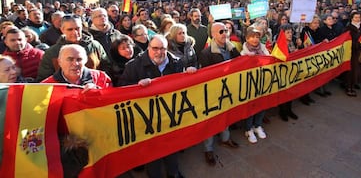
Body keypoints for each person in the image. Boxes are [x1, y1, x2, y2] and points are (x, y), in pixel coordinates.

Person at [118, 34, 194, 178]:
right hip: (147, 118)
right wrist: (137, 86)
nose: (159, 52)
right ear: (148, 48)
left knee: (172, 147)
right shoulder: (134, 66)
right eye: (155, 48)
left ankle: (173, 173)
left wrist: (190, 74)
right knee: (152, 152)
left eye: (163, 49)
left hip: (170, 115)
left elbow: (184, 86)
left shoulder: (177, 62)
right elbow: (122, 88)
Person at [199, 22, 240, 166]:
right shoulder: (206, 53)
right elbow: (206, 76)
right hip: (214, 92)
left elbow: (241, 64)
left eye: (226, 31)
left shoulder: (232, 48)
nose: (224, 34)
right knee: (211, 120)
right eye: (221, 31)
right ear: (213, 35)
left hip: (230, 89)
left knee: (226, 115)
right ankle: (208, 149)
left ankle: (225, 139)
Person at [36, 15, 110, 82]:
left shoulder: (95, 46)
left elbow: (107, 68)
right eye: (70, 29)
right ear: (62, 30)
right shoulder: (52, 52)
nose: (75, 32)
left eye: (77, 28)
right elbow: (44, 79)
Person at [240, 26, 268, 143]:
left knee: (262, 104)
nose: (255, 39)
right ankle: (248, 128)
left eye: (257, 37)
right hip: (250, 85)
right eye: (252, 37)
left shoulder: (264, 49)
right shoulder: (243, 53)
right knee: (251, 106)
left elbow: (269, 60)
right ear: (247, 39)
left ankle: (257, 125)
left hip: (262, 81)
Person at [42, 44, 112, 89]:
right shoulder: (46, 86)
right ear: (60, 62)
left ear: (85, 61)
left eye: (79, 59)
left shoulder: (101, 78)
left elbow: (110, 103)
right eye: (70, 59)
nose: (75, 63)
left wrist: (98, 91)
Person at [277, 24, 302, 122]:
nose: (290, 34)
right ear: (282, 34)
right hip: (283, 72)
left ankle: (289, 110)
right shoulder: (278, 44)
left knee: (291, 90)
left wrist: (300, 46)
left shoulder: (294, 42)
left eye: (291, 32)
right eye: (287, 32)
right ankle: (282, 111)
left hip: (292, 71)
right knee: (284, 92)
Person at [344, 11, 361, 97]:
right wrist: (357, 45)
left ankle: (354, 83)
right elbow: (346, 40)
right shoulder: (348, 28)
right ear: (352, 18)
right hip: (350, 52)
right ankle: (349, 87)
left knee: (358, 69)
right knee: (351, 70)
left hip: (359, 51)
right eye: (356, 17)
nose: (358, 19)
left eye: (359, 17)